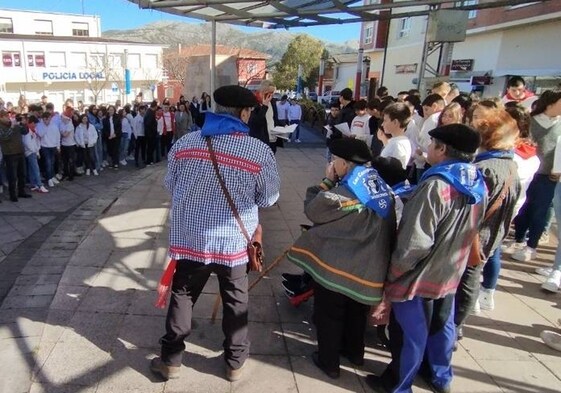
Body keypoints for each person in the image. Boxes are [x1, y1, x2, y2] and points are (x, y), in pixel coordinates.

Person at [150, 85, 280, 382]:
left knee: (182, 295)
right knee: (236, 300)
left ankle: (170, 360)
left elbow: (170, 185)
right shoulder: (258, 151)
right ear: (244, 113)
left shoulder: (184, 144)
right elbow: (269, 199)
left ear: (216, 109)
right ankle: (234, 363)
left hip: (190, 240)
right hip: (234, 242)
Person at [366, 124, 487, 393]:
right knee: (441, 327)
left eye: (432, 145)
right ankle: (440, 376)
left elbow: (414, 243)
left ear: (443, 149)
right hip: (451, 271)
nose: (426, 149)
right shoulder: (477, 180)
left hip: (419, 278)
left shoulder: (436, 185)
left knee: (410, 336)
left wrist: (394, 275)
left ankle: (399, 384)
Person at [287, 138, 396, 379]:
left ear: (345, 164)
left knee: (330, 313)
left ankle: (329, 362)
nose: (332, 164)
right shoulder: (378, 185)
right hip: (368, 268)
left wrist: (326, 181)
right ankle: (355, 354)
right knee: (356, 312)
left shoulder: (345, 191)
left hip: (339, 266)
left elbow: (314, 209)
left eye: (334, 160)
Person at [455, 109, 520, 328]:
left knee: (465, 281)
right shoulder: (510, 166)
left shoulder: (484, 169)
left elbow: (466, 207)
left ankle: (455, 327)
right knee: (472, 276)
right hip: (492, 236)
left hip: (473, 237)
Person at [509, 90, 561, 262]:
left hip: (548, 175)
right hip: (526, 171)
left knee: (541, 210)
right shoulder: (531, 121)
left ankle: (532, 246)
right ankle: (518, 239)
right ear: (551, 103)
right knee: (523, 206)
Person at [0, 110, 32, 201]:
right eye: (6, 116)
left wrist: (23, 123)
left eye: (8, 116)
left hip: (20, 151)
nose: (8, 117)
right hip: (9, 154)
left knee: (22, 174)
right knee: (12, 176)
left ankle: (21, 191)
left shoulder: (13, 123)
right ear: (1, 117)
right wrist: (12, 127)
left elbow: (25, 132)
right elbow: (4, 137)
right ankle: (12, 195)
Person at [380, 102, 413, 171]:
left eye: (385, 121)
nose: (382, 124)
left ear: (395, 122)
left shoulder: (398, 144)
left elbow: (397, 170)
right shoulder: (395, 141)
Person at [22, 115, 48, 193]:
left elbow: (36, 141)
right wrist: (35, 151)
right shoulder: (27, 131)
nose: (36, 125)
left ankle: (33, 184)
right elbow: (27, 143)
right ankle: (40, 185)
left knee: (31, 168)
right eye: (35, 123)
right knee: (36, 169)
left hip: (33, 151)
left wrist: (37, 150)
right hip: (30, 152)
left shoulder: (33, 130)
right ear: (32, 123)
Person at [36, 112, 60, 188]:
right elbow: (40, 134)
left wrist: (58, 146)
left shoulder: (54, 125)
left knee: (52, 162)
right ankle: (49, 178)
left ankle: (52, 176)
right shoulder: (40, 125)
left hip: (53, 146)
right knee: (48, 162)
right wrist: (46, 126)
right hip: (45, 146)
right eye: (45, 118)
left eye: (49, 118)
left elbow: (57, 135)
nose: (48, 120)